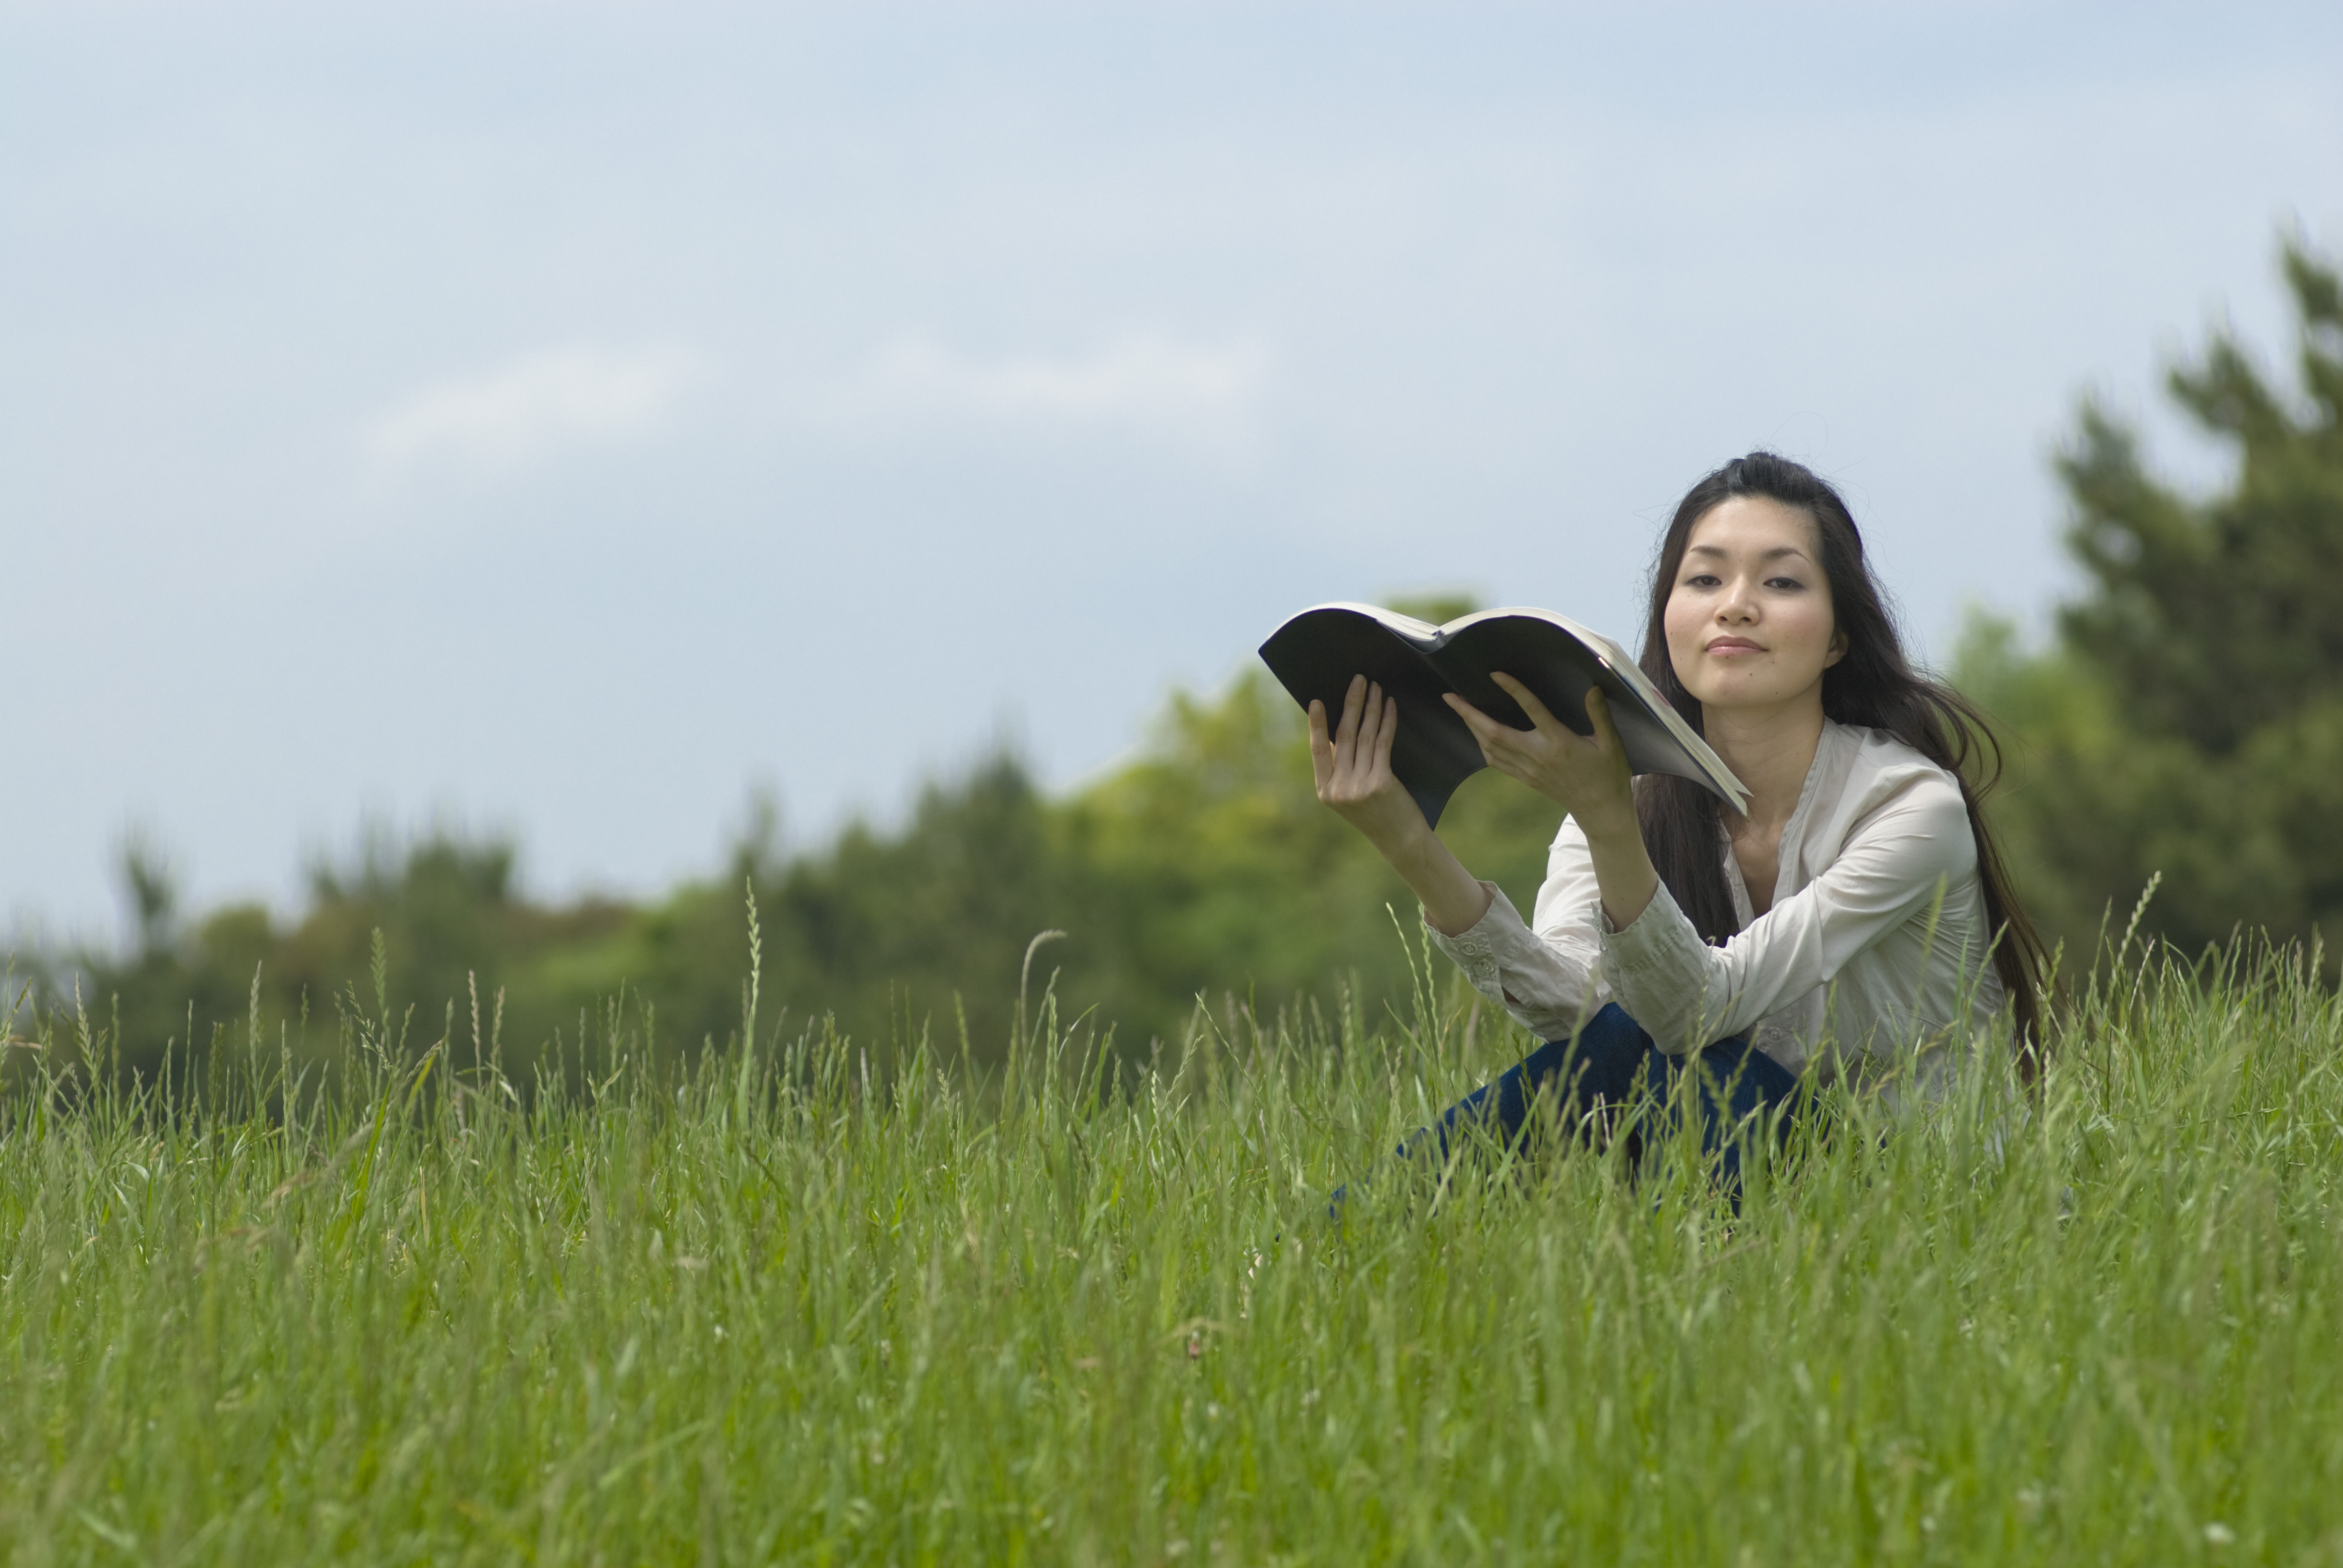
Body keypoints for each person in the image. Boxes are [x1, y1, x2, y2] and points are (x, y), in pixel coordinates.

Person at [1309, 452, 2044, 1186]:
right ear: (1667, 618)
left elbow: (1691, 1013)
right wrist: (1409, 843)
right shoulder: (1626, 797)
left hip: (1923, 1188)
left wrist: (1604, 819)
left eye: (1780, 581)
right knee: (1627, 1050)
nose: (1735, 604)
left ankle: (1338, 1240)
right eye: (1703, 579)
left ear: (1837, 639)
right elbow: (1579, 1020)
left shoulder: (1908, 807)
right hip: (1726, 1156)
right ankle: (1341, 1245)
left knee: (1670, 1054)